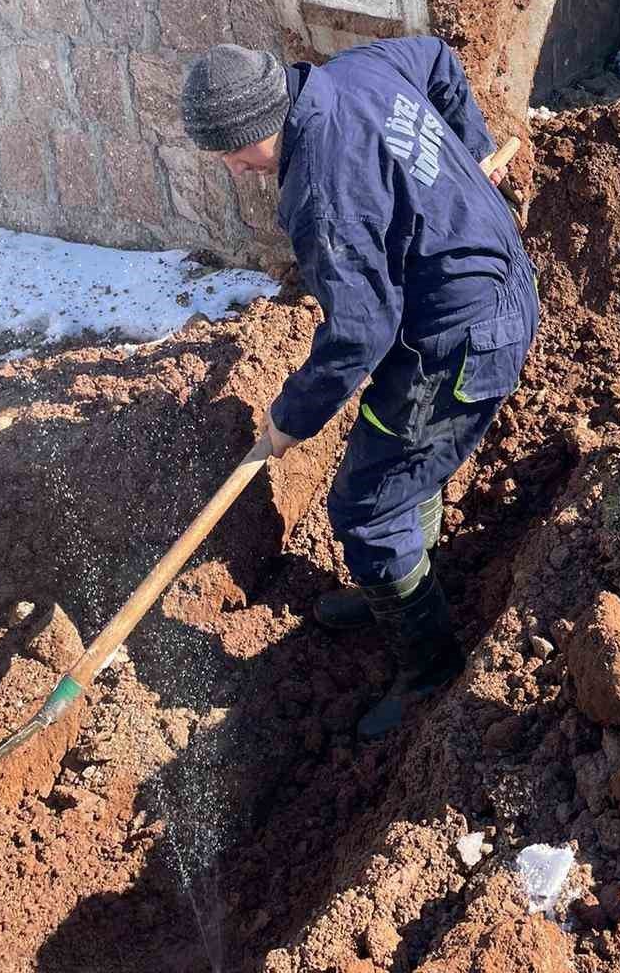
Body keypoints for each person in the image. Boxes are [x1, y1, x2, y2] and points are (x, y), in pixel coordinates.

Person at [179, 40, 539, 739]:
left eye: (228, 150)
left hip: (464, 338)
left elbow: (359, 332)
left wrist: (290, 419)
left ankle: (429, 664)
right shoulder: (355, 72)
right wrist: (471, 147)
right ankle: (406, 567)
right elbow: (438, 59)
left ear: (260, 123)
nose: (229, 166)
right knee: (399, 457)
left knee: (365, 507)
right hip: (464, 292)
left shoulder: (321, 193)